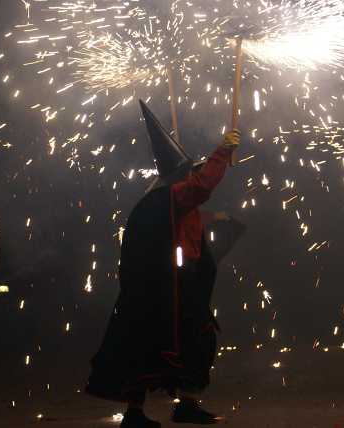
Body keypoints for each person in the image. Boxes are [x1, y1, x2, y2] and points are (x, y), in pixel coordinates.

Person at [86, 100, 242, 427]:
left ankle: (186, 404)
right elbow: (201, 187)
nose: (193, 174)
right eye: (189, 172)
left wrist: (217, 217)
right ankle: (135, 414)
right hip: (163, 287)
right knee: (149, 345)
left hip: (180, 283)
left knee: (196, 340)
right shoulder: (168, 197)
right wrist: (223, 152)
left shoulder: (169, 201)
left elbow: (190, 216)